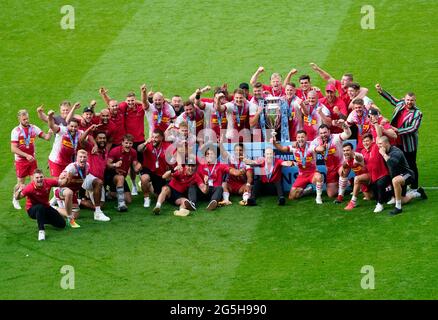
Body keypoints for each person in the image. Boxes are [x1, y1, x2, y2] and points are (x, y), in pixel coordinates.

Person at [101, 85, 148, 195]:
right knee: (122, 165)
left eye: (132, 100)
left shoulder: (140, 107)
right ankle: (131, 186)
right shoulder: (123, 107)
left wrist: (143, 94)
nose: (130, 102)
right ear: (126, 101)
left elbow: (145, 103)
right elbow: (111, 104)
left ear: (135, 100)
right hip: (124, 142)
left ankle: (142, 183)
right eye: (128, 101)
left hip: (139, 140)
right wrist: (104, 95)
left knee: (137, 166)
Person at [376, 84, 423, 191]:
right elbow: (392, 99)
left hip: (408, 144)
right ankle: (402, 184)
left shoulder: (417, 113)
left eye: (412, 100)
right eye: (408, 100)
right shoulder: (401, 104)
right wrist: (381, 91)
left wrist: (397, 130)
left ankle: (414, 187)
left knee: (411, 164)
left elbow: (413, 128)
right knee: (399, 163)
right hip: (396, 142)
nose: (409, 102)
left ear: (415, 101)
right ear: (404, 99)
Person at [11, 109, 52, 209]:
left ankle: (35, 201)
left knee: (35, 181)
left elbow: (46, 138)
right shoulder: (16, 131)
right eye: (24, 119)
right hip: (21, 161)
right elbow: (13, 148)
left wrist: (50, 132)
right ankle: (15, 198)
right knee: (20, 183)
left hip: (32, 160)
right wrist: (26, 155)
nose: (26, 121)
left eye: (27, 118)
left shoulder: (33, 128)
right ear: (19, 119)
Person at [377, 136, 427, 215]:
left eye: (380, 144)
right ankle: (417, 193)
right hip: (397, 177)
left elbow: (392, 164)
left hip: (408, 174)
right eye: (378, 144)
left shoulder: (396, 152)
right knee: (401, 199)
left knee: (395, 181)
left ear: (386, 143)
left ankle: (398, 208)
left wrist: (383, 154)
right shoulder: (384, 151)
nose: (379, 146)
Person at [14, 169, 67, 241]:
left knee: (62, 224)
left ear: (44, 177)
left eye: (41, 177)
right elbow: (18, 197)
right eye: (37, 178)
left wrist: (67, 176)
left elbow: (61, 183)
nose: (39, 179)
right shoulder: (29, 188)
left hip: (46, 207)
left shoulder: (48, 182)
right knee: (40, 207)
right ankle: (41, 231)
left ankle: (41, 219)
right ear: (33, 179)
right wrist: (19, 190)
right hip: (32, 210)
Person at [273, 130, 323, 204]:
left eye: (302, 137)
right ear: (296, 138)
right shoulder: (294, 147)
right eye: (298, 137)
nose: (300, 139)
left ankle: (318, 197)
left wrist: (320, 148)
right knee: (292, 196)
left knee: (319, 177)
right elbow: (282, 149)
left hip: (313, 173)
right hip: (302, 175)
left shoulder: (311, 146)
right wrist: (274, 142)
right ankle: (306, 191)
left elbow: (318, 149)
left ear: (306, 138)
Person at [311, 123, 352, 199]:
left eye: (325, 132)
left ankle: (340, 196)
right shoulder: (317, 141)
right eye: (321, 133)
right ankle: (347, 182)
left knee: (344, 170)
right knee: (331, 194)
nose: (323, 135)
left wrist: (345, 126)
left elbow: (348, 134)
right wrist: (317, 148)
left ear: (329, 132)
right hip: (330, 169)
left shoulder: (335, 137)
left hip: (340, 165)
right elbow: (310, 147)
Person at [78, 126, 111, 221]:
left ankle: (78, 201)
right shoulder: (91, 147)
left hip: (98, 180)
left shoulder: (105, 151)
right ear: (96, 139)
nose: (102, 140)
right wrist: (89, 129)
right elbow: (81, 140)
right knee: (99, 182)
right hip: (88, 177)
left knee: (102, 205)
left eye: (104, 138)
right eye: (100, 138)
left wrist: (115, 166)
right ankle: (97, 213)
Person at [56, 149, 93, 228]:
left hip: (73, 192)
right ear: (77, 158)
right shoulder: (71, 168)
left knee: (75, 214)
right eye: (80, 157)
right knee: (69, 195)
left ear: (87, 158)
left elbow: (83, 178)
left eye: (84, 157)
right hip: (63, 190)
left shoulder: (87, 166)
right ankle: (55, 207)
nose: (82, 159)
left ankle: (56, 209)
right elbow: (65, 182)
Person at [137, 129, 172, 208]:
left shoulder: (167, 146)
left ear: (162, 138)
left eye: (156, 137)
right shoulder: (148, 145)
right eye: (152, 137)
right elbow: (139, 149)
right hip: (148, 169)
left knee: (159, 196)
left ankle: (148, 186)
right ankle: (146, 198)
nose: (154, 139)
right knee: (144, 178)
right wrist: (146, 142)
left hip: (160, 173)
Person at [106, 134, 142, 212]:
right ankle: (121, 204)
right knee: (121, 177)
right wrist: (115, 165)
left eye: (130, 143)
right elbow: (107, 164)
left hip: (121, 178)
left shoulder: (133, 152)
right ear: (122, 143)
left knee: (129, 200)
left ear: (132, 144)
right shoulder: (115, 151)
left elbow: (135, 164)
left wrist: (138, 167)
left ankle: (109, 194)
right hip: (110, 176)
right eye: (126, 143)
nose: (128, 145)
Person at [47, 111, 84, 178]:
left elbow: (88, 137)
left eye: (75, 127)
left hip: (68, 163)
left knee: (67, 182)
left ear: (78, 127)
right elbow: (52, 126)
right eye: (71, 126)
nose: (73, 128)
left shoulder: (80, 133)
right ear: (67, 125)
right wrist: (50, 117)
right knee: (57, 182)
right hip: (56, 161)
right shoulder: (63, 130)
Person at [344, 133, 374, 210]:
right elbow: (344, 169)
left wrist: (355, 156)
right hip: (362, 181)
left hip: (369, 176)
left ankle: (352, 202)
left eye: (348, 150)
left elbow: (359, 158)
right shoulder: (346, 159)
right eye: (344, 150)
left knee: (356, 178)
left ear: (352, 150)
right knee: (370, 198)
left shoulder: (357, 155)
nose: (346, 152)